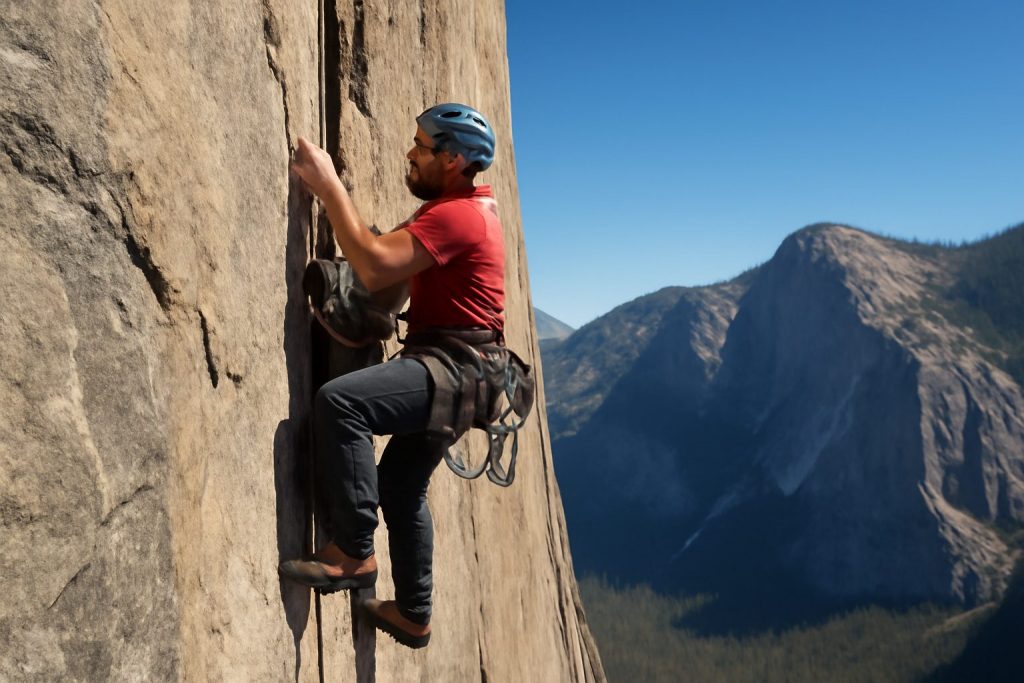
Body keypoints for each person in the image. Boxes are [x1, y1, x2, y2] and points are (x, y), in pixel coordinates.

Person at [279, 103, 505, 650]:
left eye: (422, 147)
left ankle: (354, 551)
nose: (410, 153)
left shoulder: (459, 216)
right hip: (466, 373)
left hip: (452, 369)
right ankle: (413, 614)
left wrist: (330, 186)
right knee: (402, 487)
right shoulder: (459, 209)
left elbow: (379, 265)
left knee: (341, 404)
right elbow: (394, 270)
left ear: (452, 160)